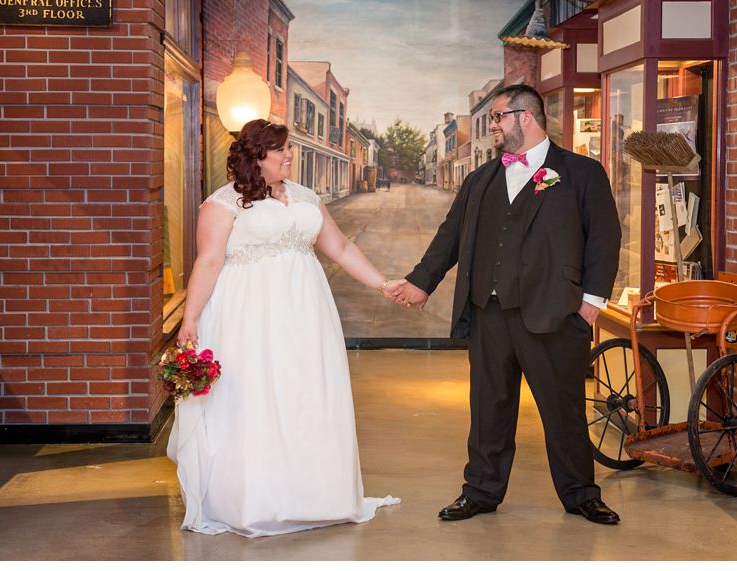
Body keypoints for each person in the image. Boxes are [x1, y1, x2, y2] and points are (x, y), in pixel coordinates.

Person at [384, 83, 621, 525]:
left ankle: (581, 495)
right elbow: (449, 236)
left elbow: (605, 238)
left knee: (563, 409)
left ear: (524, 117)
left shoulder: (581, 173)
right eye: (492, 118)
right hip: (489, 314)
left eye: (497, 117)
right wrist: (421, 283)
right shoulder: (480, 179)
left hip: (554, 314)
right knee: (488, 408)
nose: (492, 126)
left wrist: (591, 301)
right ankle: (480, 491)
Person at [168, 119, 401, 536]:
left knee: (306, 393)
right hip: (251, 314)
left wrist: (383, 284)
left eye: (289, 148)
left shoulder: (306, 197)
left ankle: (315, 494)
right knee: (259, 395)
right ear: (257, 157)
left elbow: (342, 248)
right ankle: (258, 498)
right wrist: (190, 317)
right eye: (281, 150)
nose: (290, 155)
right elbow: (208, 262)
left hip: (306, 311)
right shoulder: (222, 204)